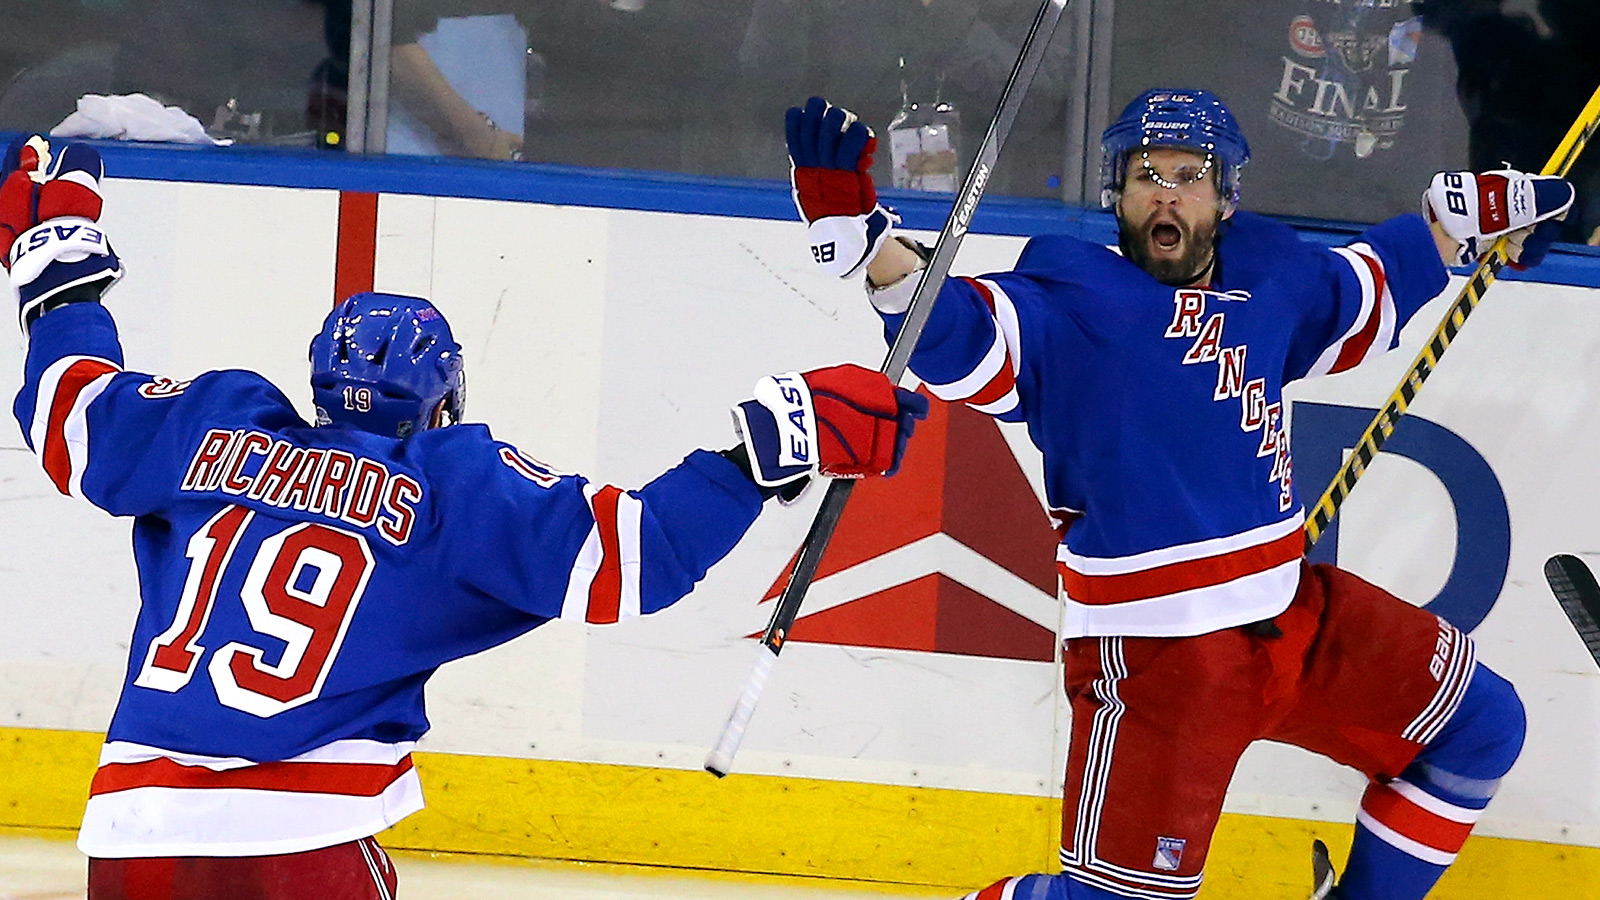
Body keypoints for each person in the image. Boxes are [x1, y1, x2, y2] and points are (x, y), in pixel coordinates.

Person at [1, 133, 926, 899]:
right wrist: (767, 447)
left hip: (131, 837)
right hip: (307, 845)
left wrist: (61, 281)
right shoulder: (454, 483)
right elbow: (636, 554)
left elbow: (69, 407)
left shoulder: (214, 426)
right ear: (441, 401)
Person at [781, 92, 1572, 900]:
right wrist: (864, 241)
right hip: (1161, 658)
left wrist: (1459, 226)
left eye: (1190, 176)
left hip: (1293, 618)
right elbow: (962, 332)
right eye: (1146, 175)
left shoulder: (1269, 271)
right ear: (1114, 193)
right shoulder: (1067, 294)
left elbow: (1359, 288)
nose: (1167, 193)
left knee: (1479, 727)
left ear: (1225, 196)